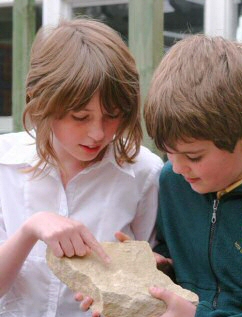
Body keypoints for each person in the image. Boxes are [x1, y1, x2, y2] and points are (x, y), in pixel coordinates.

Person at [0, 19, 163, 317]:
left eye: (112, 116)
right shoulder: (3, 164)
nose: (98, 133)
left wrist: (144, 273)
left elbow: (156, 280)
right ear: (41, 103)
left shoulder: (144, 172)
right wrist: (30, 230)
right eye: (80, 116)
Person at [143, 34, 242, 316]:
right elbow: (183, 267)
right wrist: (160, 270)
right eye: (168, 152)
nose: (177, 167)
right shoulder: (173, 181)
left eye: (194, 157)